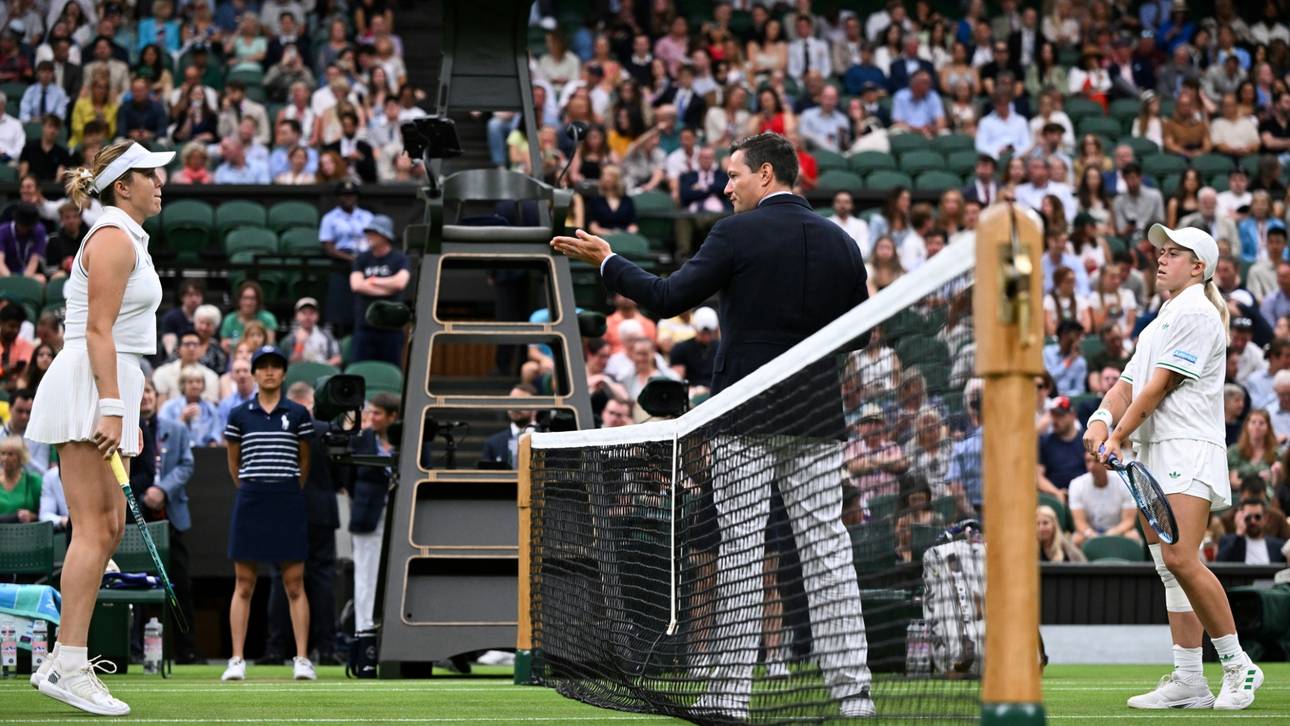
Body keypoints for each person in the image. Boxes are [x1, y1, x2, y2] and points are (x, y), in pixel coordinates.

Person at [550, 132, 874, 718]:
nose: (726, 187)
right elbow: (862, 335)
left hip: (745, 415)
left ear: (766, 175)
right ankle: (854, 696)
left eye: (734, 175)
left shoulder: (735, 233)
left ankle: (728, 696)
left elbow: (666, 296)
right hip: (817, 416)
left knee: (742, 554)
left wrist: (607, 261)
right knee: (828, 553)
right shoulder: (843, 242)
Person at [1085, 222, 1264, 709]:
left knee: (1183, 558)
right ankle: (1189, 679)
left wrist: (1116, 436)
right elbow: (1126, 384)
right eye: (1160, 252)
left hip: (1187, 448)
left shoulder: (1198, 313)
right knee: (1169, 568)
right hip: (1153, 450)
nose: (1161, 258)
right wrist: (1101, 419)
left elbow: (1159, 386)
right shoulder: (1160, 319)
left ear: (1198, 267)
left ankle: (1238, 666)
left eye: (1173, 253)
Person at [26, 140, 174, 716]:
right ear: (122, 186)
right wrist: (112, 405)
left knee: (110, 529)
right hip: (93, 384)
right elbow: (96, 331)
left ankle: (60, 658)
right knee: (92, 530)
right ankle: (69, 663)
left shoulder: (129, 236)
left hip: (114, 382)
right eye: (150, 174)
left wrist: (125, 399)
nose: (160, 182)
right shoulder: (112, 237)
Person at [221, 346, 316, 682]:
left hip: (288, 499)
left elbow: (304, 462)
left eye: (276, 366)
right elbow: (234, 464)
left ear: (284, 373)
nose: (270, 371)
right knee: (244, 584)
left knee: (295, 584)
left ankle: (302, 659)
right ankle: (236, 659)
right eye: (263, 366)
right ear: (255, 373)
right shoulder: (239, 414)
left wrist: (285, 488)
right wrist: (254, 488)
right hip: (251, 500)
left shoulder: (299, 414)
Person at [263, 381, 339, 665]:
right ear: (311, 402)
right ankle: (327, 648)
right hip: (321, 511)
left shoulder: (276, 431)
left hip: (284, 509)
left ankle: (276, 648)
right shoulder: (326, 430)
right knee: (322, 579)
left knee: (280, 578)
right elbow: (341, 474)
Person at [134, 378, 199, 662]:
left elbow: (187, 464)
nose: (145, 397)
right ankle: (134, 650)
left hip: (171, 514)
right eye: (140, 392)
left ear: (157, 396)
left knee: (180, 584)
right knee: (133, 582)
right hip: (136, 514)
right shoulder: (126, 430)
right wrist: (143, 493)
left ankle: (187, 651)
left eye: (149, 391)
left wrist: (162, 489)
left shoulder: (177, 429)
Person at [349, 392, 399, 636]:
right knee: (365, 576)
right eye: (370, 412)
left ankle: (392, 630)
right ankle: (364, 631)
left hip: (400, 516)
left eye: (377, 413)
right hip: (367, 514)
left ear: (392, 416)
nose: (371, 417)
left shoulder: (408, 440)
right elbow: (348, 476)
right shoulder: (361, 439)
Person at [350, 215, 410, 366]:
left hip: (391, 329)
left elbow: (400, 283)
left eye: (373, 232)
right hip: (365, 328)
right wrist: (388, 289)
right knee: (359, 369)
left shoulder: (400, 259)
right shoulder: (362, 259)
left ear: (384, 235)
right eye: (368, 232)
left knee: (391, 369)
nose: (369, 236)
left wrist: (373, 281)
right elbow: (356, 285)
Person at [1067, 451, 1139, 546]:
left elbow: (1128, 521)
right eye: (1088, 461)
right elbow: (1079, 522)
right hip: (1090, 533)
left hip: (1118, 531)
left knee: (1133, 537)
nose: (1091, 466)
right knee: (1077, 539)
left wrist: (1112, 533)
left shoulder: (1123, 482)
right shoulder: (1076, 484)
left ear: (1105, 463)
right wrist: (1091, 534)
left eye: (1096, 461)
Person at [157, 366, 223, 446]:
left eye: (198, 382)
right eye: (190, 382)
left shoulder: (210, 408)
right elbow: (163, 433)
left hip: (204, 450)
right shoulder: (169, 406)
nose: (195, 386)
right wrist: (182, 419)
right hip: (176, 449)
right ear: (183, 385)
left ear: (203, 385)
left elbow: (216, 433)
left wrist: (213, 443)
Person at [480, 385, 536, 467]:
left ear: (536, 406)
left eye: (521, 402)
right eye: (511, 402)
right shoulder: (492, 443)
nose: (515, 407)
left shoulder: (548, 439)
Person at [1217, 499, 1287, 564]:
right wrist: (1239, 533)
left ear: (1265, 518)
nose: (1253, 521)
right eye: (1248, 517)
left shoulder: (1278, 546)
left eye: (1257, 517)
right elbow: (1221, 562)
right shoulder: (1229, 541)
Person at [284, 297, 341, 366]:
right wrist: (299, 344)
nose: (307, 317)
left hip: (323, 370)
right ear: (296, 316)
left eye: (311, 313)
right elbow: (291, 365)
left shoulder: (327, 336)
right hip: (302, 371)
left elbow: (337, 358)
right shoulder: (289, 339)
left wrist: (323, 367)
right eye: (304, 313)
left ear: (318, 315)